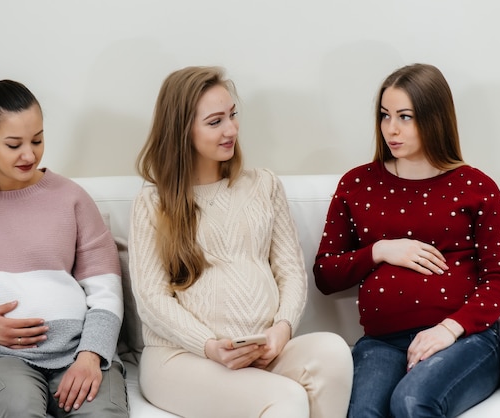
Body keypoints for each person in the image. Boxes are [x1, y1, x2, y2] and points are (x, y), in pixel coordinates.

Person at [128, 66, 353, 418]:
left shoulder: (263, 185)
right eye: (215, 121)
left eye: (232, 115)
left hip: (261, 350)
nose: (231, 129)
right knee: (287, 398)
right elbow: (151, 300)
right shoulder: (153, 203)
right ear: (182, 129)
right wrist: (209, 346)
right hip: (182, 359)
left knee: (334, 352)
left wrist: (281, 330)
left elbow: (290, 273)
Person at [0, 75, 129, 418]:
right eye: (14, 144)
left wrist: (91, 355)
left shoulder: (71, 198)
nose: (29, 154)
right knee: (19, 410)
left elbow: (106, 291)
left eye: (38, 140)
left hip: (77, 351)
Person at [314, 63, 500, 417]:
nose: (392, 128)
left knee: (410, 401)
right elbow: (325, 275)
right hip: (381, 342)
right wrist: (379, 251)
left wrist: (449, 329)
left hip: (464, 340)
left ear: (434, 118)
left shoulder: (476, 186)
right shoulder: (357, 185)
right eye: (385, 115)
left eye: (406, 117)